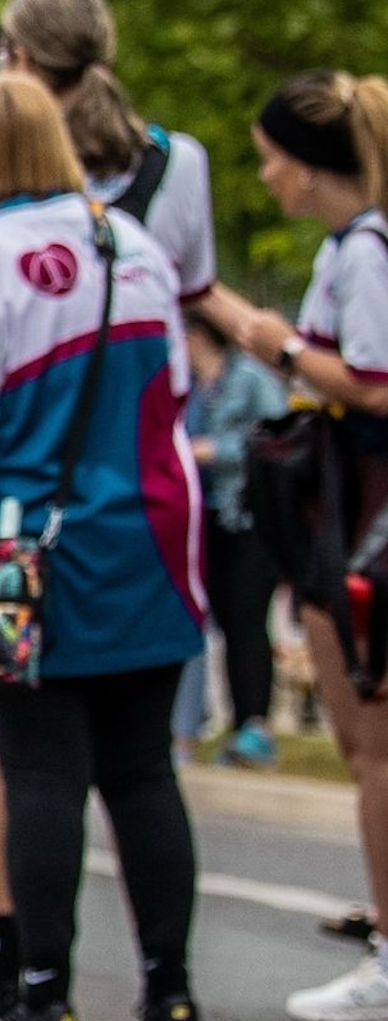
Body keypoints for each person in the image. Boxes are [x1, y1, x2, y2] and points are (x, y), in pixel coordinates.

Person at [0, 0, 222, 1021]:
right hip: (149, 536)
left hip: (26, 549)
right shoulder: (138, 250)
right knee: (142, 770)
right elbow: (171, 386)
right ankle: (170, 993)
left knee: (41, 770)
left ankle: (45, 993)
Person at [197, 69, 388, 1021]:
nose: (266, 175)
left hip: (360, 518)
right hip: (344, 514)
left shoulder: (365, 255)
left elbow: (374, 383)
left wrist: (272, 344)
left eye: (272, 157)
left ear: (310, 166)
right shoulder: (351, 250)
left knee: (372, 745)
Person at [177, 321, 287, 767]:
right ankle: (221, 724)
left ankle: (254, 726)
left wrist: (215, 449)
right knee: (212, 621)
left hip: (249, 516)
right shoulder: (192, 386)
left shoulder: (250, 378)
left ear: (199, 332)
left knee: (247, 621)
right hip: (204, 518)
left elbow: (280, 438)